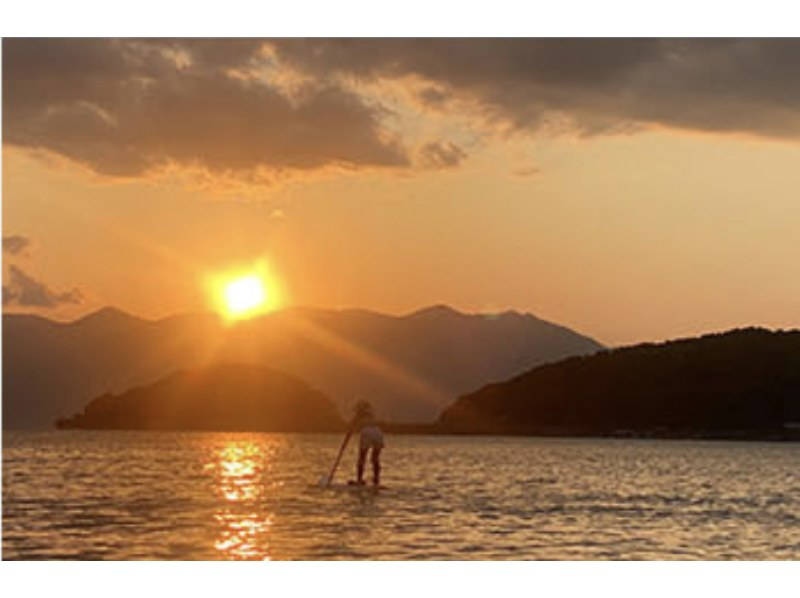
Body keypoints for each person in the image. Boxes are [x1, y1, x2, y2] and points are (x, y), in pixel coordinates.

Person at [350, 400, 384, 486]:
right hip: (378, 432)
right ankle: (376, 479)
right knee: (375, 458)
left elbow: (352, 427)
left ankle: (359, 480)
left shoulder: (359, 414)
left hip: (367, 432)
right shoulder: (372, 415)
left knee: (362, 457)